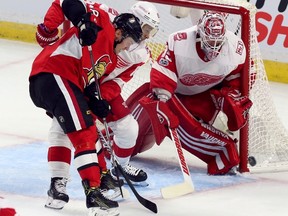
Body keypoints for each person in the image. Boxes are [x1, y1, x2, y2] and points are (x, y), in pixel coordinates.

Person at [35, 0, 160, 196]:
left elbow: (120, 80)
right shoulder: (107, 17)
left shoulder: (141, 54)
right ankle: (61, 181)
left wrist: (100, 97)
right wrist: (49, 30)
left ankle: (119, 168)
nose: (147, 35)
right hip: (74, 79)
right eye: (146, 28)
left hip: (99, 89)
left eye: (151, 31)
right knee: (70, 130)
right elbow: (67, 3)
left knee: (129, 127)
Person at [127, 11, 253, 175]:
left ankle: (223, 154)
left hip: (202, 98)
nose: (214, 45)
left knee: (204, 122)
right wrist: (163, 100)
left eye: (218, 40)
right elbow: (163, 71)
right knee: (151, 101)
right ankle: (124, 143)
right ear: (199, 33)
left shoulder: (236, 49)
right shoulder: (180, 41)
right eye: (210, 39)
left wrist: (232, 93)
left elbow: (239, 77)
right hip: (174, 93)